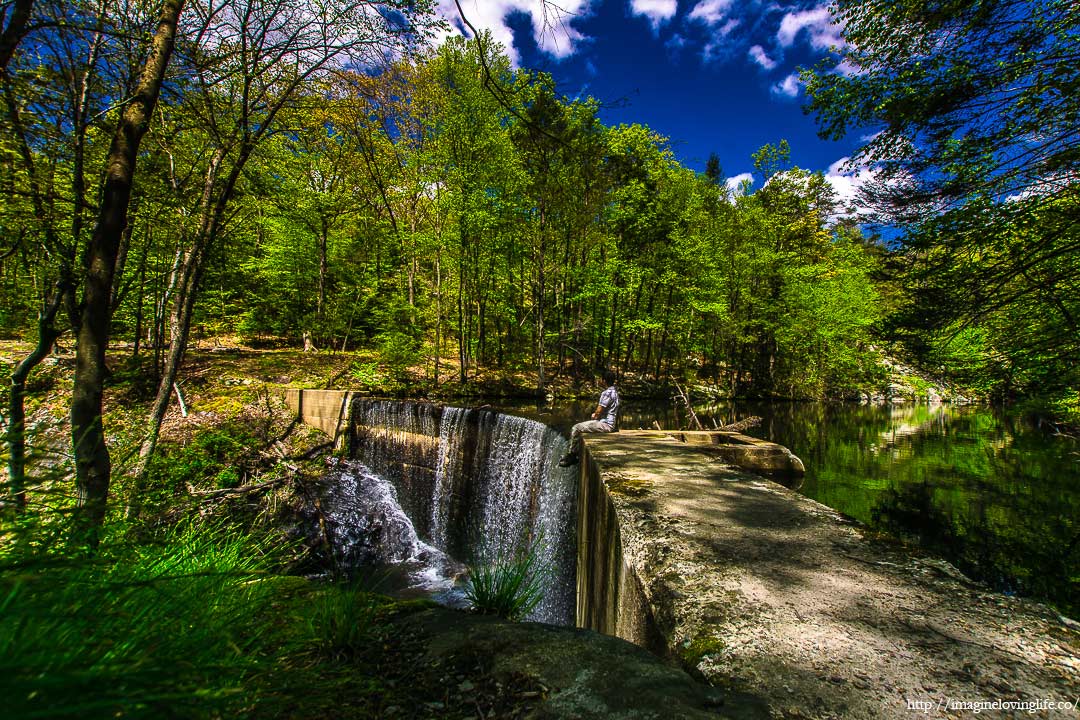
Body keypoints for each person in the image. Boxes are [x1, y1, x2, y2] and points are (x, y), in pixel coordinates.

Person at [559, 369, 619, 467]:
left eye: (601, 379)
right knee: (586, 425)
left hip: (606, 425)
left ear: (604, 380)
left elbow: (599, 410)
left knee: (576, 428)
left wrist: (594, 415)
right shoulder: (615, 392)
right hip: (610, 423)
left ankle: (573, 455)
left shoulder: (607, 393)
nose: (599, 380)